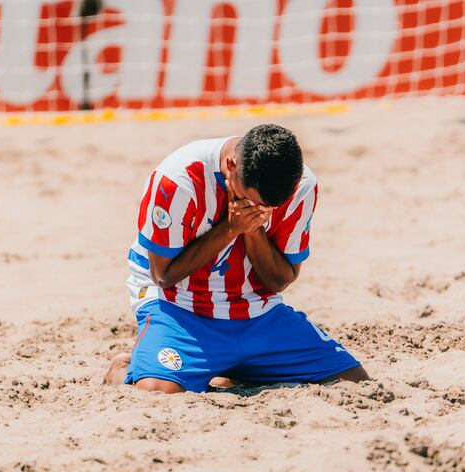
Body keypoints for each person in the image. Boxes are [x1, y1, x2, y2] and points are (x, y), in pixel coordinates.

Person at [104, 124, 369, 393]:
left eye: (268, 208)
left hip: (255, 308)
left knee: (354, 382)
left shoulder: (301, 186)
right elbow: (164, 275)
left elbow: (280, 281)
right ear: (231, 166)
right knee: (156, 392)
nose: (259, 210)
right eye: (250, 201)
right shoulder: (178, 179)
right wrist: (230, 229)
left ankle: (229, 366)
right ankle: (123, 370)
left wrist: (252, 230)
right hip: (179, 305)